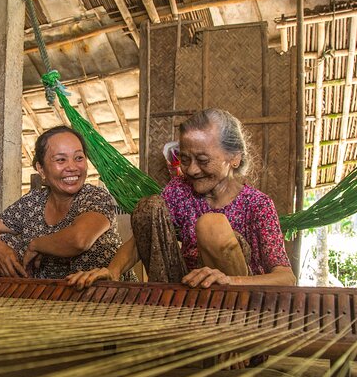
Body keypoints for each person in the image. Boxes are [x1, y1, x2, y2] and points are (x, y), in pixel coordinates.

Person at [67, 108, 295, 290]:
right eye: (185, 159)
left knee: (211, 224)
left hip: (235, 299)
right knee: (149, 206)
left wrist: (228, 281)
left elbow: (285, 278)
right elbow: (141, 238)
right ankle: (166, 304)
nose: (192, 170)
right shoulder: (179, 190)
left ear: (234, 158)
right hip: (185, 287)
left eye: (203, 160)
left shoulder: (257, 204)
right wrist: (113, 271)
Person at [0, 125, 136, 281]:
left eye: (78, 158)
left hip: (108, 298)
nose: (72, 167)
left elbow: (79, 240)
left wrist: (35, 245)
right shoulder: (33, 202)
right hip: (52, 299)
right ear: (41, 169)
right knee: (4, 240)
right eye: (61, 160)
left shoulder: (95, 197)